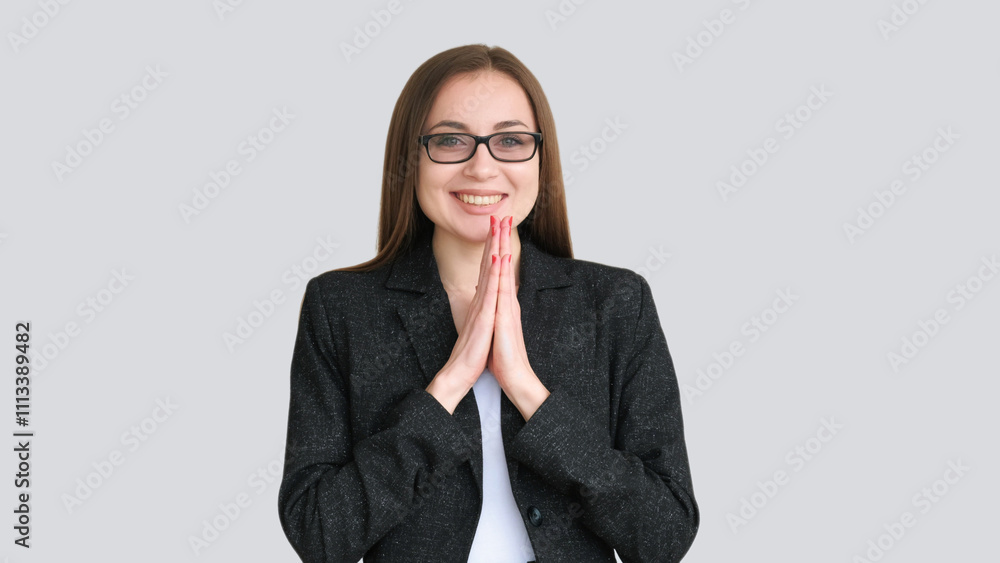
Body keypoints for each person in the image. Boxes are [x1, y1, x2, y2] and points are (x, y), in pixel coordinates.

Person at [277, 44, 699, 563]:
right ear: (411, 158)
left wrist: (526, 389)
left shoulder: (615, 303)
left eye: (511, 141)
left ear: (541, 159)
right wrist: (448, 386)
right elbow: (320, 534)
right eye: (451, 140)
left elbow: (663, 535)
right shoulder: (339, 308)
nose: (482, 167)